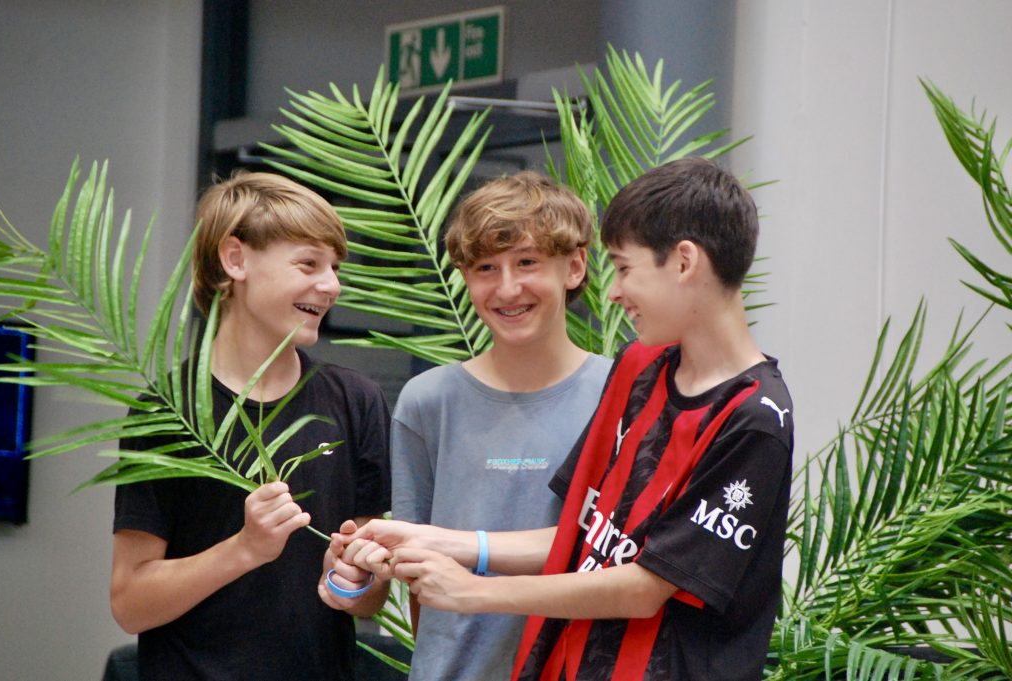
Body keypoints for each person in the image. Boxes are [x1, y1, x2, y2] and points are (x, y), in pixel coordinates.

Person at [334, 157, 793, 681]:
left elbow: (646, 585)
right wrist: (434, 542)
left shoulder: (753, 418)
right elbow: (584, 534)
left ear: (684, 262)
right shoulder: (642, 369)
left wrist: (473, 589)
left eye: (623, 268)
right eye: (486, 268)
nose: (613, 291)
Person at [110, 171, 391, 681]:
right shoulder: (168, 411)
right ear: (235, 259)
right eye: (308, 263)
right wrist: (244, 549)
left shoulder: (357, 401)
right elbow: (130, 603)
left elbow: (369, 600)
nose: (331, 285)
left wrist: (353, 579)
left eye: (334, 267)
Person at [343, 171, 612, 681]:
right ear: (465, 278)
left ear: (575, 266)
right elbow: (416, 573)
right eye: (486, 267)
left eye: (527, 262)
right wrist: (354, 573)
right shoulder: (427, 402)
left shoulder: (621, 396)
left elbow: (619, 559)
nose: (507, 288)